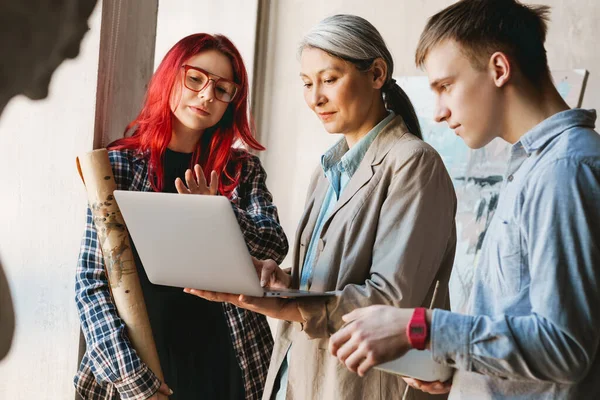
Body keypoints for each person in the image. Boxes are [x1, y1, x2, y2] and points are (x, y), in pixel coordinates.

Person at [328, 1, 600, 399]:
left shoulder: (565, 169)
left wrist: (420, 327)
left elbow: (564, 347)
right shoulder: (534, 167)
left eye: (444, 86)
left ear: (499, 69)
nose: (437, 113)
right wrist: (461, 371)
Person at [185, 15, 457, 400]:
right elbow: (329, 277)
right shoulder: (328, 168)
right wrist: (284, 281)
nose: (315, 98)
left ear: (376, 73)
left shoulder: (413, 163)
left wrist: (279, 308)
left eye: (329, 80)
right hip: (295, 375)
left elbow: (391, 303)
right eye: (307, 84)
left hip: (356, 385)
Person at [74, 33, 289, 400]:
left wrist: (215, 214)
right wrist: (132, 380)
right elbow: (91, 283)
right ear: (171, 75)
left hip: (227, 359)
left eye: (223, 89)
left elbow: (273, 244)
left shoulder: (241, 170)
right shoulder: (119, 167)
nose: (207, 95)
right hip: (143, 361)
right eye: (196, 79)